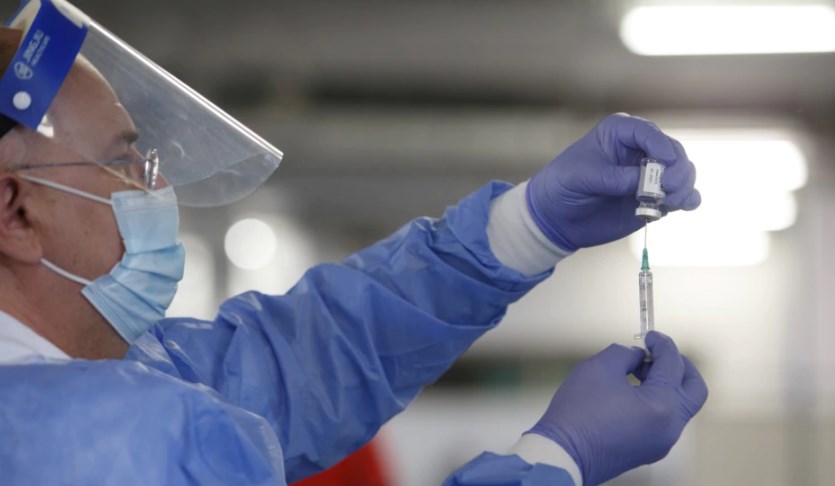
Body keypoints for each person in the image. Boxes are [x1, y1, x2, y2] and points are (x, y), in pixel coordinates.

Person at [0, 1, 707, 485]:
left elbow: (296, 366)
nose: (154, 189)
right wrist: (558, 459)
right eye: (123, 163)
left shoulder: (120, 386)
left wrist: (524, 229)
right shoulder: (126, 443)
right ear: (16, 211)